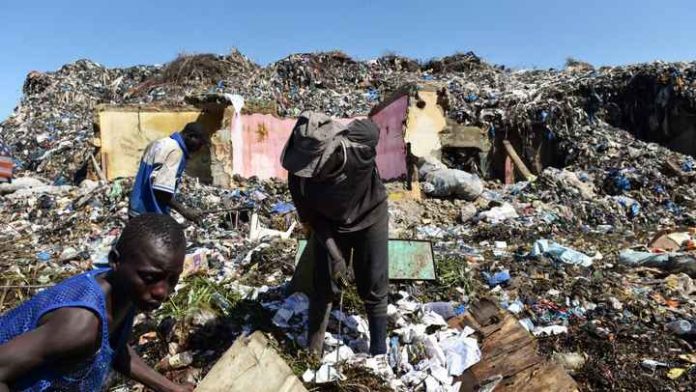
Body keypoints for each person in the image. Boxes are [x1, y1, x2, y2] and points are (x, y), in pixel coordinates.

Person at [0, 214, 193, 392]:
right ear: (115, 261)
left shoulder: (126, 292)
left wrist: (169, 388)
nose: (162, 291)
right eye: (150, 277)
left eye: (172, 279)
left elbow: (114, 346)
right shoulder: (81, 326)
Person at [282, 112, 389, 356]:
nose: (309, 172)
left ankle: (379, 351)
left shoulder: (359, 142)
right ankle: (314, 350)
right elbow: (313, 221)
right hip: (330, 226)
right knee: (324, 284)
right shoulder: (298, 178)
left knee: (373, 282)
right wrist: (337, 256)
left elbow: (372, 126)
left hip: (371, 215)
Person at [129, 122, 207, 223]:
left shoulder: (159, 143)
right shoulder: (176, 151)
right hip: (150, 213)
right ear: (190, 136)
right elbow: (161, 190)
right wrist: (186, 212)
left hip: (136, 207)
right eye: (200, 143)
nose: (199, 148)